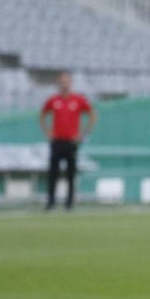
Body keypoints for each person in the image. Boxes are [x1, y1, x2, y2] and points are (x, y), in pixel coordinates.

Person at [39, 71, 96, 210]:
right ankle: (51, 202)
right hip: (57, 141)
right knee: (53, 173)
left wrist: (82, 133)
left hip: (71, 142)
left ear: (71, 83)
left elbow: (92, 114)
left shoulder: (78, 100)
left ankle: (69, 203)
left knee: (71, 174)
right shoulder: (53, 100)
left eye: (67, 81)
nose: (65, 84)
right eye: (62, 81)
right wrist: (47, 131)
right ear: (59, 83)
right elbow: (42, 114)